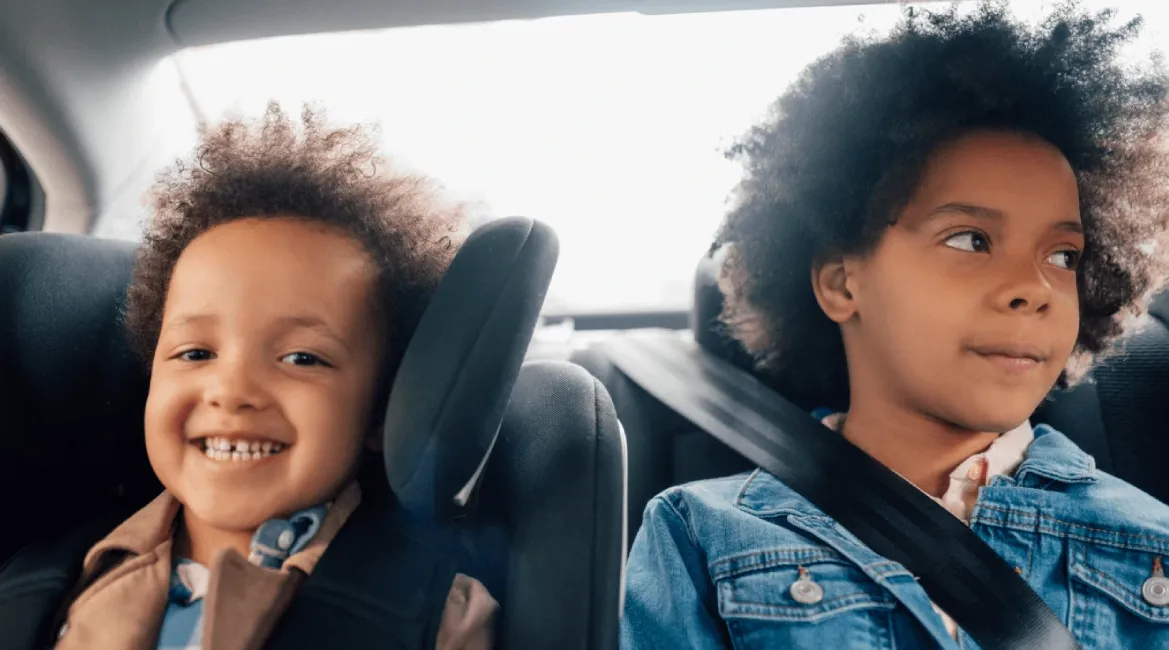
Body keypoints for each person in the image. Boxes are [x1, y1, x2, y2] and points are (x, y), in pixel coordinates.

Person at [621, 2, 1169, 648]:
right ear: (840, 282)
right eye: (969, 240)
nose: (1034, 288)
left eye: (1062, 256)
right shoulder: (701, 533)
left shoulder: (1151, 542)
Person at [52, 104, 497, 650]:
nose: (232, 391)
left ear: (383, 410)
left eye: (302, 358)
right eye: (195, 353)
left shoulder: (432, 618)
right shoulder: (54, 584)